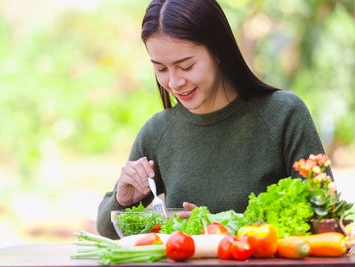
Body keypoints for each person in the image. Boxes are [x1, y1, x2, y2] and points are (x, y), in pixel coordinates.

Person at [96, 0, 332, 239]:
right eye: (161, 69)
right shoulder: (157, 132)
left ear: (218, 51)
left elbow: (326, 219)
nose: (175, 82)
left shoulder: (284, 114)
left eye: (186, 66)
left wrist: (224, 226)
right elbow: (107, 231)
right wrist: (122, 199)